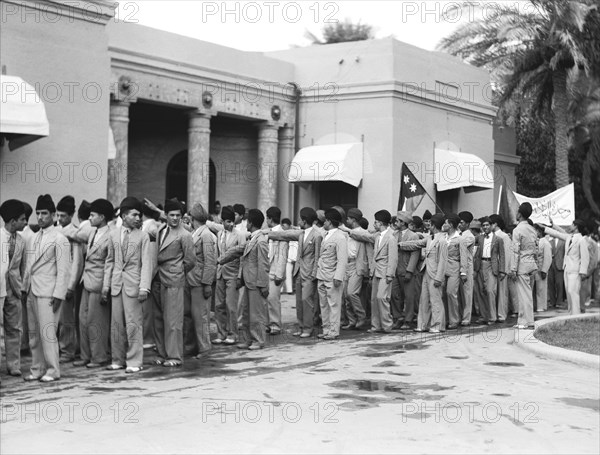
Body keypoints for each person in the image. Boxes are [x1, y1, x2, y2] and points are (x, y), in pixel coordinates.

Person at [21, 195, 70, 382]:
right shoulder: (33, 238)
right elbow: (29, 265)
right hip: (33, 289)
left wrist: (59, 294)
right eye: (38, 213)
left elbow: (64, 270)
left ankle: (53, 369)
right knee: (34, 334)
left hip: (49, 292)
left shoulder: (60, 238)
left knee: (48, 333)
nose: (40, 217)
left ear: (53, 215)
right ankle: (37, 368)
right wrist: (25, 288)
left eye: (45, 213)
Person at [105, 197, 153, 374]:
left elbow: (146, 263)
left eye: (139, 215)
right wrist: (106, 286)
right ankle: (117, 360)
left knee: (134, 324)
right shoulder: (113, 234)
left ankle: (134, 361)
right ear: (124, 216)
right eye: (134, 215)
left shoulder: (143, 236)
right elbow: (109, 261)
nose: (138, 218)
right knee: (116, 325)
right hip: (117, 284)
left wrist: (144, 287)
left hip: (134, 285)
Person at [265, 208, 322, 337]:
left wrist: (314, 274)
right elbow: (283, 234)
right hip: (299, 271)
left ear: (304, 220)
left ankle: (308, 328)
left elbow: (318, 257)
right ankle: (301, 326)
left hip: (309, 273)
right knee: (299, 302)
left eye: (300, 219)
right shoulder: (301, 233)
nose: (298, 221)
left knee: (307, 301)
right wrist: (266, 233)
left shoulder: (317, 235)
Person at [153, 198, 195, 367]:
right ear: (166, 215)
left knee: (173, 320)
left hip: (174, 280)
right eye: (172, 215)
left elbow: (190, 261)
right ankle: (162, 353)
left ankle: (175, 356)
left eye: (178, 215)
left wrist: (177, 271)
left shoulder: (185, 235)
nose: (175, 218)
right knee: (159, 319)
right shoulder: (161, 230)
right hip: (158, 278)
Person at [74, 199, 113, 368]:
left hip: (98, 283)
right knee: (83, 320)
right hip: (87, 281)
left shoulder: (111, 235)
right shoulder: (92, 233)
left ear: (102, 217)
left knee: (96, 322)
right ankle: (85, 355)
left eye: (92, 215)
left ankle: (99, 357)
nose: (89, 218)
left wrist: (106, 287)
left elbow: (110, 263)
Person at [399, 213, 448, 333]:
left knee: (435, 300)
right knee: (424, 299)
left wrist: (439, 278)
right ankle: (422, 324)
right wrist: (400, 244)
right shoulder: (430, 238)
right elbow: (416, 243)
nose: (427, 225)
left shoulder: (442, 240)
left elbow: (443, 261)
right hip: (426, 271)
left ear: (434, 225)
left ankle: (437, 325)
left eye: (430, 223)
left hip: (435, 274)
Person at [234, 209, 270, 350]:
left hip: (256, 282)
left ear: (251, 223)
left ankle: (258, 339)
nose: (245, 223)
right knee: (246, 313)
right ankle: (247, 339)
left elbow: (263, 264)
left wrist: (263, 285)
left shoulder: (260, 241)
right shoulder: (252, 238)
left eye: (247, 221)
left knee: (257, 314)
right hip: (248, 280)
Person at [184, 203, 217, 358]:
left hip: (199, 282)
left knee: (200, 316)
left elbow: (210, 261)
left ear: (193, 218)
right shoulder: (196, 232)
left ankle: (204, 348)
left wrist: (207, 283)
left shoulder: (206, 235)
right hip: (192, 280)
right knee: (191, 316)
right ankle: (191, 346)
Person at [0, 200, 28, 376]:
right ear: (12, 221)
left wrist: (22, 288)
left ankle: (13, 364)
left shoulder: (22, 241)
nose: (25, 222)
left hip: (14, 289)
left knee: (14, 328)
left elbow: (23, 267)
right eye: (23, 219)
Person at [56, 195, 84, 363]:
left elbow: (77, 263)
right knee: (57, 319)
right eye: (58, 215)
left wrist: (71, 286)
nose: (60, 219)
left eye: (63, 216)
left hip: (68, 283)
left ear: (71, 215)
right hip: (55, 281)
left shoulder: (74, 234)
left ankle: (68, 351)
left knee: (67, 319)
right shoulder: (55, 230)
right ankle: (60, 348)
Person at [542, 218, 589, 316]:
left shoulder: (581, 240)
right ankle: (571, 313)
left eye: (572, 224)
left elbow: (585, 257)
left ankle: (576, 315)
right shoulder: (569, 237)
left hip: (576, 271)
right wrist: (547, 227)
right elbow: (558, 233)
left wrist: (583, 271)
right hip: (567, 269)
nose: (570, 226)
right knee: (568, 292)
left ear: (576, 226)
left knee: (573, 292)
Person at [213, 206, 246, 345]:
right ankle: (221, 334)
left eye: (232, 221)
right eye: (228, 221)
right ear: (222, 221)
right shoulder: (219, 234)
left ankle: (233, 334)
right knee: (219, 305)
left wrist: (239, 276)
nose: (231, 224)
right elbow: (217, 255)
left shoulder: (240, 235)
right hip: (220, 274)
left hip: (233, 274)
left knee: (231, 306)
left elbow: (243, 257)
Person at [316, 208, 348, 340]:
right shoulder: (326, 235)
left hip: (332, 276)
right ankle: (326, 329)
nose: (323, 223)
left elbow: (342, 259)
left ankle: (333, 331)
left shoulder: (340, 237)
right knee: (323, 305)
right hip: (322, 275)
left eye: (325, 220)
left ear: (329, 221)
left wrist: (338, 277)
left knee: (333, 305)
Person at [338, 208, 369, 330]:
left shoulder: (362, 232)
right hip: (347, 264)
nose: (347, 220)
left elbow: (362, 236)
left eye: (349, 219)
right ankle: (352, 320)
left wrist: (348, 231)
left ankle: (361, 316)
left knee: (352, 293)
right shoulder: (347, 232)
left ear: (354, 220)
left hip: (357, 265)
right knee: (346, 295)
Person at [509, 203, 538, 329]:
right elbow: (536, 249)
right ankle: (524, 320)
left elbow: (515, 251)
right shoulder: (533, 230)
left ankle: (526, 321)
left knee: (523, 294)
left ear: (520, 214)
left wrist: (513, 269)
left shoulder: (517, 230)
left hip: (522, 265)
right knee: (527, 293)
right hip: (532, 264)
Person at [391, 211, 419, 330]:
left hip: (406, 269)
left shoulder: (413, 236)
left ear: (403, 223)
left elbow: (415, 254)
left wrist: (410, 271)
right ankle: (398, 317)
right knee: (394, 294)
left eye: (397, 221)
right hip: (394, 269)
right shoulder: (393, 234)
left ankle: (408, 319)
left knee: (408, 296)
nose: (395, 222)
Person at [476, 217, 505, 325]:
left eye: (487, 225)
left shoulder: (498, 239)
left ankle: (492, 317)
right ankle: (484, 316)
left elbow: (502, 255)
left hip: (492, 266)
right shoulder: (479, 238)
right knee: (481, 291)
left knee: (490, 291)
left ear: (492, 226)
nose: (485, 227)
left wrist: (502, 270)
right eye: (483, 225)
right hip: (480, 265)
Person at [442, 214, 467, 330]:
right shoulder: (443, 237)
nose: (444, 225)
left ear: (451, 225)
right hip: (442, 269)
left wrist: (463, 272)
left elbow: (464, 256)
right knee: (442, 294)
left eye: (446, 223)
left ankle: (454, 320)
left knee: (451, 293)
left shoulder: (460, 239)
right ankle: (445, 319)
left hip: (454, 269)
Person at [265, 206, 288, 335]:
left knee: (273, 299)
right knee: (266, 299)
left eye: (267, 218)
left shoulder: (282, 233)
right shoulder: (267, 232)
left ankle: (275, 324)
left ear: (270, 218)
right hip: (266, 269)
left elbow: (283, 255)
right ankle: (268, 323)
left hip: (275, 271)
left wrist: (279, 274)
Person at [458, 211, 475, 326]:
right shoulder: (459, 234)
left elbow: (459, 245)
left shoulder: (470, 236)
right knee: (458, 293)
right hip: (457, 265)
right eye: (458, 222)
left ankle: (466, 317)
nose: (459, 224)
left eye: (462, 222)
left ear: (468, 224)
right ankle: (459, 315)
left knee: (467, 293)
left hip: (467, 267)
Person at [533, 224, 552, 312]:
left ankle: (541, 307)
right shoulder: (535, 241)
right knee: (535, 289)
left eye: (535, 230)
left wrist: (544, 270)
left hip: (541, 269)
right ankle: (535, 306)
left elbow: (548, 258)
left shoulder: (545, 242)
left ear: (539, 232)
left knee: (541, 289)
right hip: (534, 269)